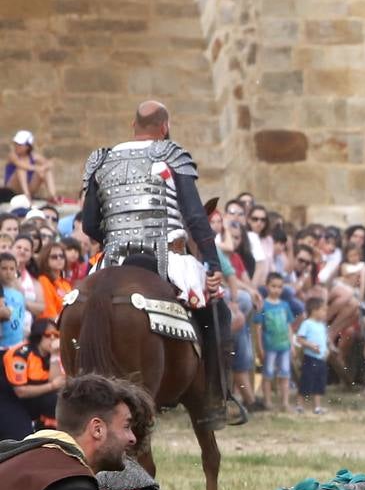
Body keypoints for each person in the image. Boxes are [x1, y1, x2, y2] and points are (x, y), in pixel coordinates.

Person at [78, 101, 240, 428]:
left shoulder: (100, 160)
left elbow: (90, 225)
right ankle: (215, 400)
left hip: (112, 260)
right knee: (218, 310)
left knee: (77, 307)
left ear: (132, 124)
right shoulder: (172, 154)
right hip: (167, 258)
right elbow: (195, 217)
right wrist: (212, 265)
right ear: (164, 126)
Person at [0, 374, 151, 490]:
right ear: (97, 429)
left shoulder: (12, 457)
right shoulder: (72, 482)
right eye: (127, 426)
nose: (132, 438)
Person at [254, 273, 294, 413]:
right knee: (268, 374)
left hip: (284, 346)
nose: (276, 289)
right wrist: (259, 347)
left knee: (285, 374)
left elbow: (289, 326)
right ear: (267, 286)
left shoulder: (285, 305)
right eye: (273, 286)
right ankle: (268, 401)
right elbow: (258, 328)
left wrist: (292, 344)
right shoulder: (263, 305)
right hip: (269, 347)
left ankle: (285, 402)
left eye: (279, 287)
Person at [295, 296, 329, 414]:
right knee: (306, 381)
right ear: (314, 310)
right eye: (323, 310)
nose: (325, 313)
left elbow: (323, 340)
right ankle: (299, 405)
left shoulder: (322, 325)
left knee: (319, 382)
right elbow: (299, 339)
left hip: (321, 359)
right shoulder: (307, 323)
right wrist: (310, 345)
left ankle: (317, 406)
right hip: (310, 358)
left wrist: (326, 350)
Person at [5, 131, 58, 202]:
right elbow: (21, 165)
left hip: (28, 188)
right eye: (16, 144)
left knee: (46, 171)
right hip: (12, 190)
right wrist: (38, 168)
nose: (16, 146)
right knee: (21, 169)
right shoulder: (12, 155)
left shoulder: (33, 156)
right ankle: (27, 196)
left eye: (20, 144)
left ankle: (53, 196)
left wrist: (43, 168)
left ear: (28, 146)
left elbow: (50, 163)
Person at [34, 239, 73, 321]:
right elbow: (49, 313)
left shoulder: (65, 283)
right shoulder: (43, 280)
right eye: (54, 257)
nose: (59, 259)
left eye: (62, 256)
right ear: (45, 259)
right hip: (52, 328)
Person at [0, 253, 25, 350]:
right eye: (4, 268)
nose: (8, 272)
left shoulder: (19, 294)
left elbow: (19, 316)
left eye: (12, 269)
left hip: (16, 344)